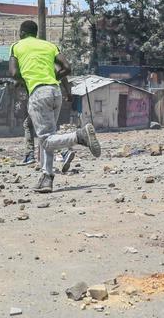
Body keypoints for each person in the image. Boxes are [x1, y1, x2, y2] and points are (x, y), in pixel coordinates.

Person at [8, 20, 100, 193]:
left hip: (38, 93)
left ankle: (79, 137)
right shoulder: (50, 46)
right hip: (55, 92)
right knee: (48, 135)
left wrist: (24, 81)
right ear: (35, 33)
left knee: (46, 140)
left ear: (21, 33)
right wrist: (55, 79)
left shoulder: (16, 46)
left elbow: (13, 72)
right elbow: (67, 67)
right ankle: (47, 178)